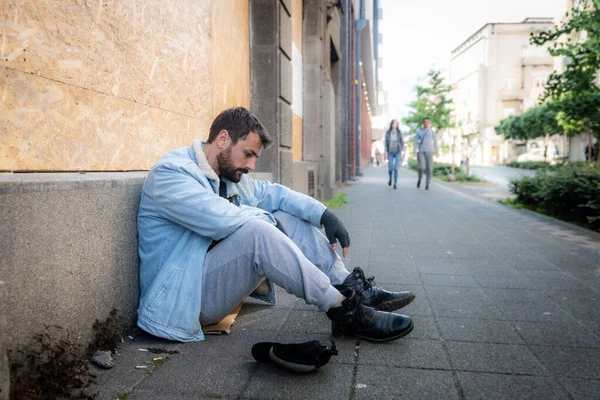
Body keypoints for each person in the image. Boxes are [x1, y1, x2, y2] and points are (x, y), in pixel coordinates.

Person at [136, 107, 415, 343]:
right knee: (259, 231)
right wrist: (273, 227)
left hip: (209, 280)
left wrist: (324, 215)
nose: (252, 165)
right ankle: (342, 310)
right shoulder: (172, 174)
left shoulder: (227, 175)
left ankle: (348, 286)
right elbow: (221, 220)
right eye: (248, 154)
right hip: (182, 299)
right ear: (223, 139)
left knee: (284, 216)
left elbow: (275, 194)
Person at [414, 117, 439, 190]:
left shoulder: (432, 132)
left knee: (429, 168)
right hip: (421, 151)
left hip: (429, 151)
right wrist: (415, 151)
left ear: (430, 123)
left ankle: (427, 183)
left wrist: (437, 151)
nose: (426, 123)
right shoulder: (419, 131)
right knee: (421, 167)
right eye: (425, 122)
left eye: (428, 122)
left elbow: (435, 142)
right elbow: (416, 142)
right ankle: (419, 179)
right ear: (423, 123)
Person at [384, 119, 404, 189]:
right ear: (391, 124)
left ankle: (395, 184)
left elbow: (402, 142)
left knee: (396, 169)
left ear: (397, 125)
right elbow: (386, 143)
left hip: (398, 152)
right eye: (393, 123)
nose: (394, 125)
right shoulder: (388, 132)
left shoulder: (399, 132)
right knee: (390, 169)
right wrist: (385, 152)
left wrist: (402, 152)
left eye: (396, 123)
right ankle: (390, 179)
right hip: (390, 152)